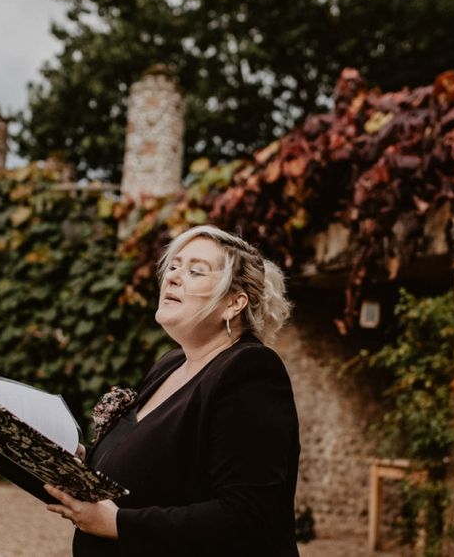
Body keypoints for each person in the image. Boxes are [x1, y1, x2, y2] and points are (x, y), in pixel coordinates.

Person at [44, 224, 301, 557]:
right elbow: (158, 468)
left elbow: (248, 516)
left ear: (234, 304)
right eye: (174, 266)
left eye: (195, 271)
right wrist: (82, 459)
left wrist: (117, 524)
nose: (174, 277)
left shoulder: (250, 372)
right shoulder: (171, 364)